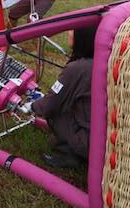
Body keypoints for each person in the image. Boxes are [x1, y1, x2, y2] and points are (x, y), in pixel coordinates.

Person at [31, 25, 98, 168]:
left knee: (56, 111)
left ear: (83, 38)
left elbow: (50, 104)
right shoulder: (102, 61)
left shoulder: (77, 69)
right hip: (106, 138)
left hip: (90, 145)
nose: (69, 32)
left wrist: (32, 105)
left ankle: (72, 154)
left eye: (73, 30)